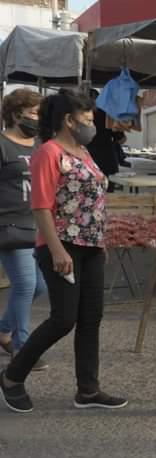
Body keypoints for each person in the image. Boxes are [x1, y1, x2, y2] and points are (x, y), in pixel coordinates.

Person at [0, 89, 127, 414]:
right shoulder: (49, 152)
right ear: (68, 120)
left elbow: (94, 200)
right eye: (86, 117)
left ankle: (88, 389)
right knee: (63, 318)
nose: (91, 122)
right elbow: (41, 206)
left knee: (90, 319)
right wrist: (56, 250)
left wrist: (101, 242)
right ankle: (12, 377)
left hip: (91, 246)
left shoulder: (84, 151)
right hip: (61, 246)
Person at [0, 89, 49, 371]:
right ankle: (22, 348)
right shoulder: (3, 144)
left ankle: (3, 329)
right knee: (25, 284)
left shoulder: (39, 144)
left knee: (39, 287)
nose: (37, 118)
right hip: (10, 225)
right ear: (16, 113)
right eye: (33, 112)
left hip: (38, 224)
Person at [86, 89, 126, 191]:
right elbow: (122, 139)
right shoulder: (108, 114)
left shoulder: (80, 116)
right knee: (107, 194)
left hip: (87, 159)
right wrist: (111, 143)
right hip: (106, 159)